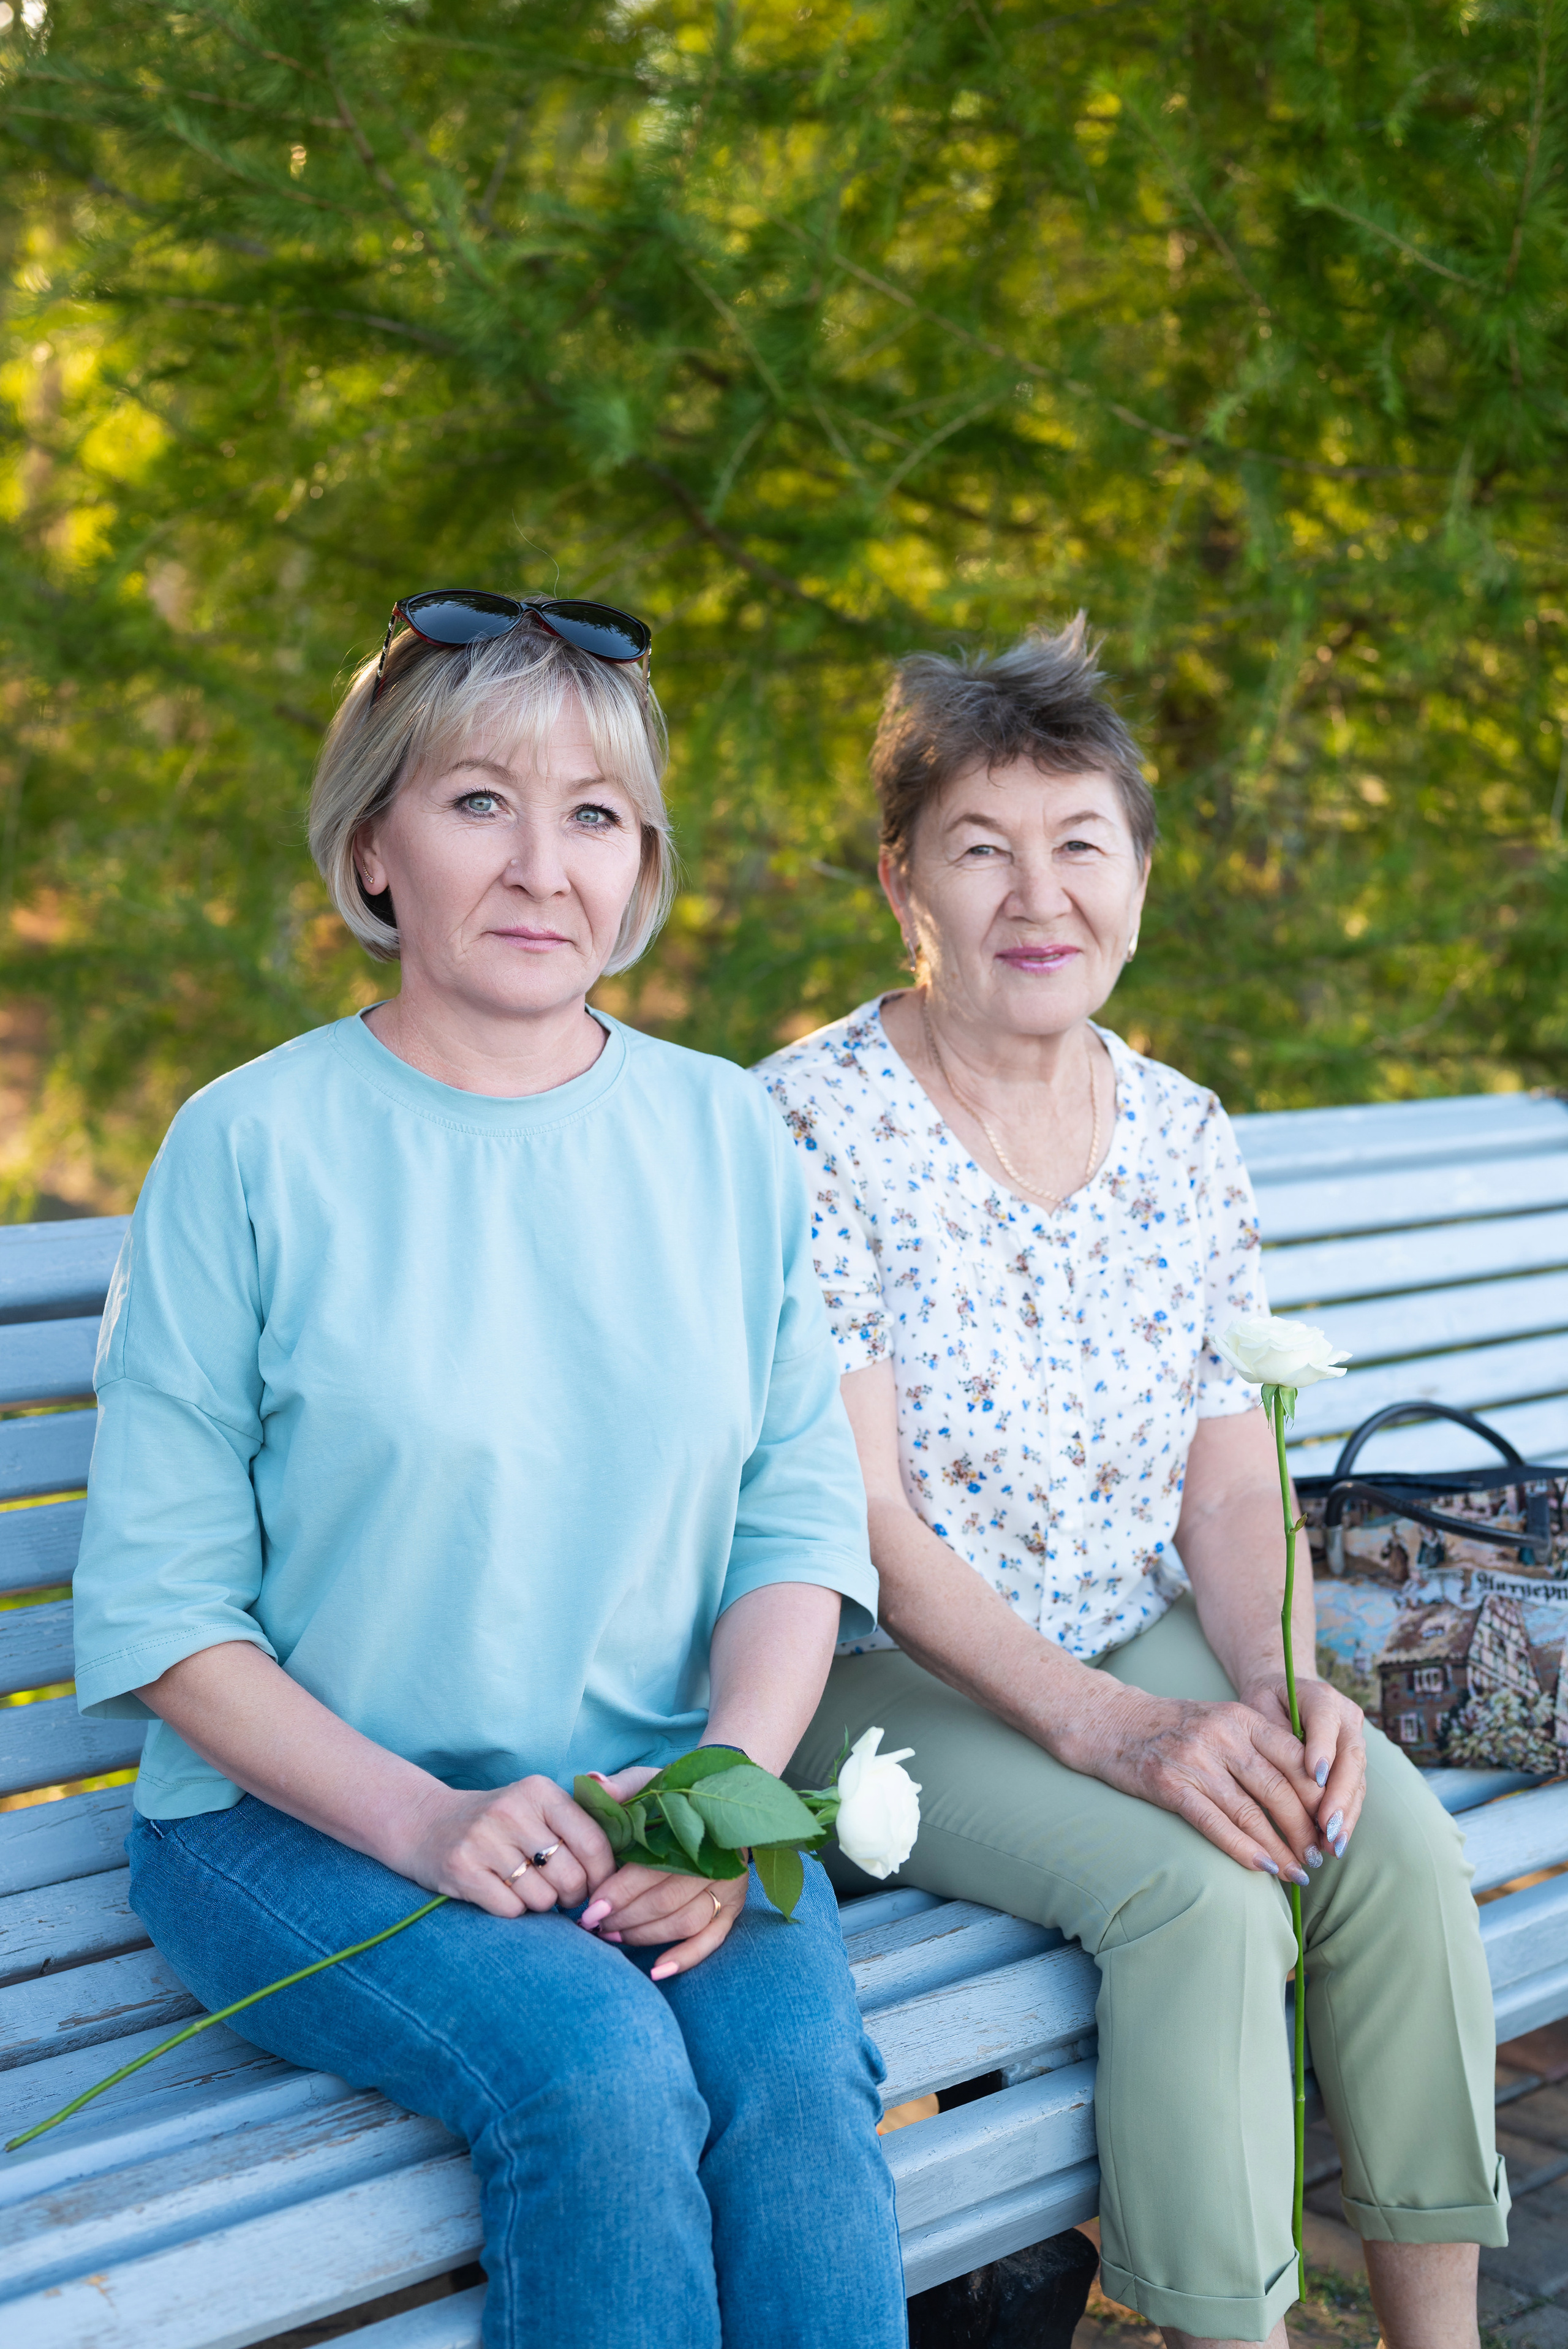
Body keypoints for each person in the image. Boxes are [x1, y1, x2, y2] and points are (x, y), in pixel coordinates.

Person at [72, 591, 907, 2349]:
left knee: (798, 2080)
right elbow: (161, 1612)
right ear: (376, 843)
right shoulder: (251, 1145)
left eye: (594, 814)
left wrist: (721, 1793)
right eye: (480, 803)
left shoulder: (725, 1140)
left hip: (645, 1796)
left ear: (641, 860)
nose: (545, 865)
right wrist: (430, 1820)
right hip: (294, 1819)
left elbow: (793, 1520)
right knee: (597, 2070)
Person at [754, 620, 1503, 2349]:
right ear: (902, 884)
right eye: (982, 846)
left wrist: (1274, 1682)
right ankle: (1214, 2325)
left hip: (1123, 1620)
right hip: (873, 1676)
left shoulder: (1182, 1130)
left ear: (1139, 881)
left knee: (1372, 1830)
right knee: (1196, 1885)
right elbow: (862, 1518)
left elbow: (1229, 1490)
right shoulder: (808, 1126)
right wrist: (1114, 1731)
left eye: (1080, 842)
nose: (1040, 891)